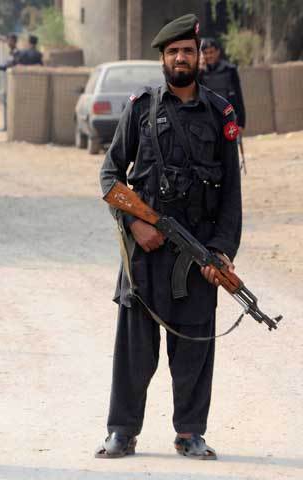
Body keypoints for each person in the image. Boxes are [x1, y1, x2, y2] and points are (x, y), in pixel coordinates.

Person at [96, 14, 242, 460]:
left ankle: (190, 432)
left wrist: (220, 252)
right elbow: (110, 177)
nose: (181, 58)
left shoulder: (219, 113)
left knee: (194, 349)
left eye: (188, 51)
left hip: (195, 255)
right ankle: (122, 431)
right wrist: (135, 225)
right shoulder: (141, 108)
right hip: (144, 254)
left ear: (200, 57)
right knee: (134, 350)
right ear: (162, 58)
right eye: (173, 52)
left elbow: (231, 195)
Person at [199, 37, 246, 130]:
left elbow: (238, 96)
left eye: (211, 52)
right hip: (209, 121)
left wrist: (241, 123)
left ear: (218, 52)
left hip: (229, 118)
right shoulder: (200, 73)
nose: (209, 56)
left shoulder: (230, 70)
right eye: (205, 53)